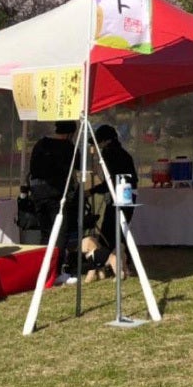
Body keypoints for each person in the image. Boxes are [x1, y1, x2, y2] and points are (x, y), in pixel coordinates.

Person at [29, 120, 78, 282]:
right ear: (70, 133)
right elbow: (78, 165)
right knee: (60, 233)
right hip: (56, 195)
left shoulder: (40, 144)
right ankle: (56, 272)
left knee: (45, 233)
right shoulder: (67, 147)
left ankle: (41, 271)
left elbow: (32, 169)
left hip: (38, 193)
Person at [90, 124, 140, 256]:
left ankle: (114, 256)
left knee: (112, 227)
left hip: (122, 190)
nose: (98, 145)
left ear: (107, 141)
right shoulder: (122, 153)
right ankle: (119, 256)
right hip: (127, 190)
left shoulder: (110, 153)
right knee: (119, 227)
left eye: (100, 142)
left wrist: (91, 191)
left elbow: (111, 180)